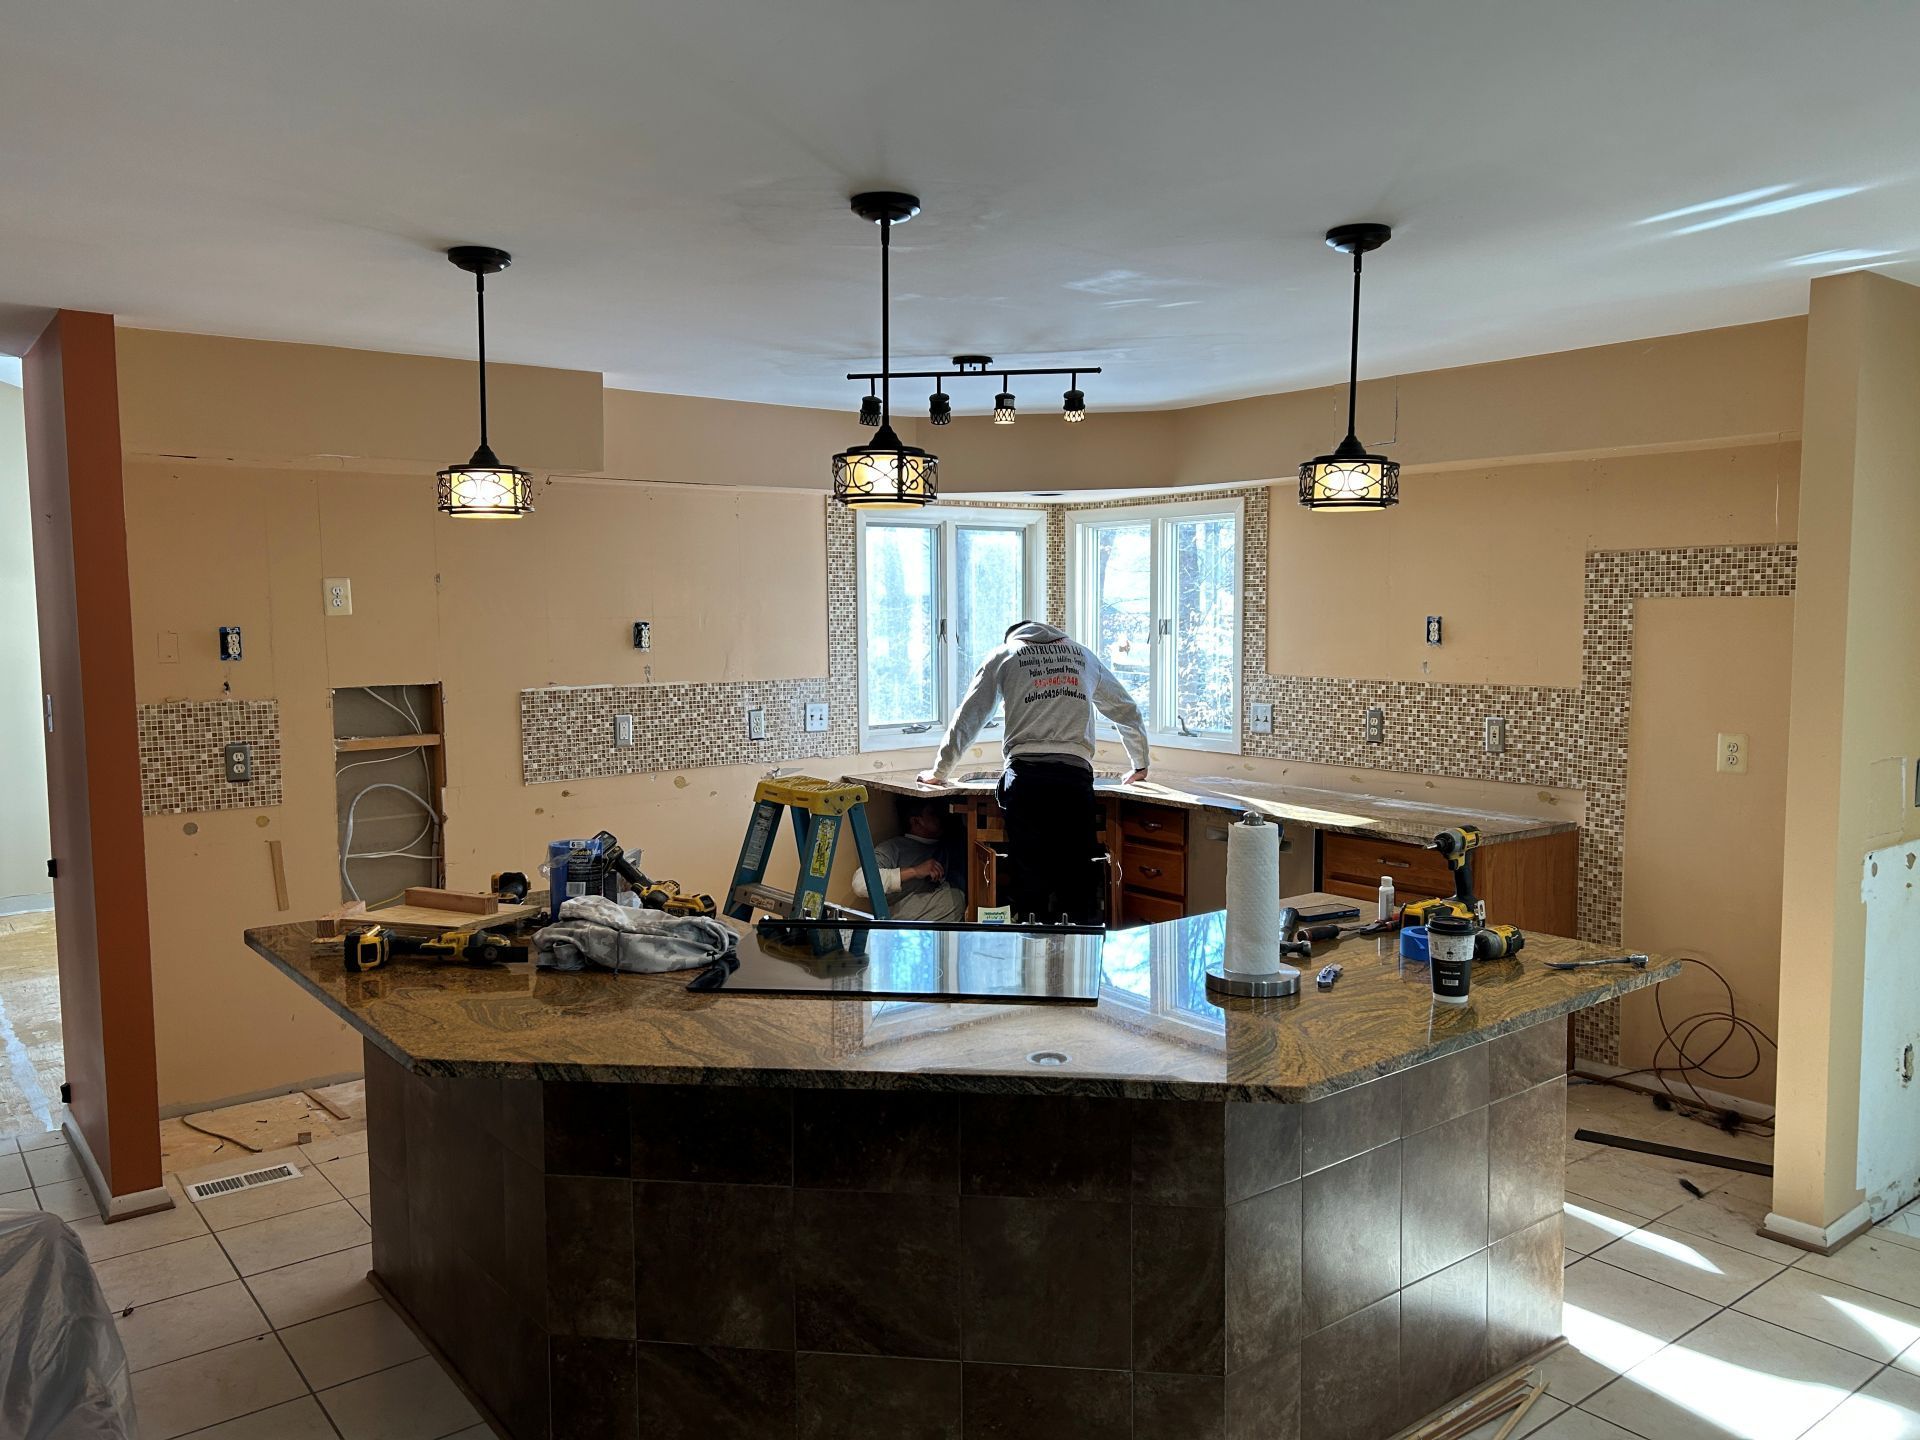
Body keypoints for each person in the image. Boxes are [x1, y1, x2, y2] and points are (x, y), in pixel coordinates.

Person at [918, 620, 1149, 924]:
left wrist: (941, 770)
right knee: (1076, 873)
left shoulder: (1005, 654)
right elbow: (1126, 709)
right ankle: (1079, 945)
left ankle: (1031, 938)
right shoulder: (1083, 655)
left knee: (1029, 873)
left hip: (1025, 778)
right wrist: (1140, 763)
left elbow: (969, 716)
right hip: (1074, 779)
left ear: (1013, 637)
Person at [850, 796, 967, 922]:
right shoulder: (893, 848)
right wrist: (914, 871)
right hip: (900, 923)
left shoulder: (950, 845)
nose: (941, 817)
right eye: (933, 813)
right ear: (916, 821)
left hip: (940, 921)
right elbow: (860, 883)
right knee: (955, 898)